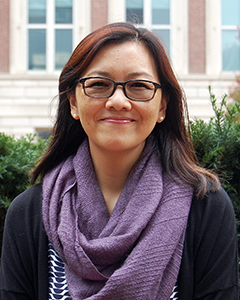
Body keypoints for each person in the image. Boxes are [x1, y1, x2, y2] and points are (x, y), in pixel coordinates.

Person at [0, 22, 238, 300]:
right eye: (99, 84)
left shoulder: (205, 208)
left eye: (138, 86)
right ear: (73, 102)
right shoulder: (30, 214)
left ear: (162, 105)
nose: (118, 101)